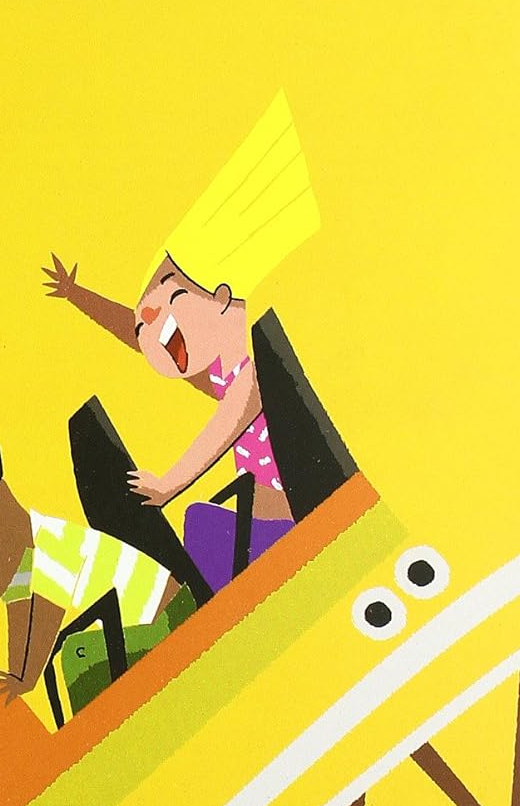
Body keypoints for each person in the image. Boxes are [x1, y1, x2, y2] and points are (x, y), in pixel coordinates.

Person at [43, 91, 319, 572]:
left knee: (198, 524)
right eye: (146, 324)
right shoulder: (223, 378)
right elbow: (136, 335)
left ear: (222, 299)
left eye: (170, 297)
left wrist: (170, 483)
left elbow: (226, 424)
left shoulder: (253, 375)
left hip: (293, 516)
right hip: (269, 517)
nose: (149, 327)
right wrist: (78, 295)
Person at [0, 421, 180, 701]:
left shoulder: (50, 543)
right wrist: (17, 677)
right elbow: (20, 615)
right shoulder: (22, 565)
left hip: (167, 619)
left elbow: (46, 613)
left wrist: (26, 679)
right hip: (141, 627)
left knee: (78, 658)